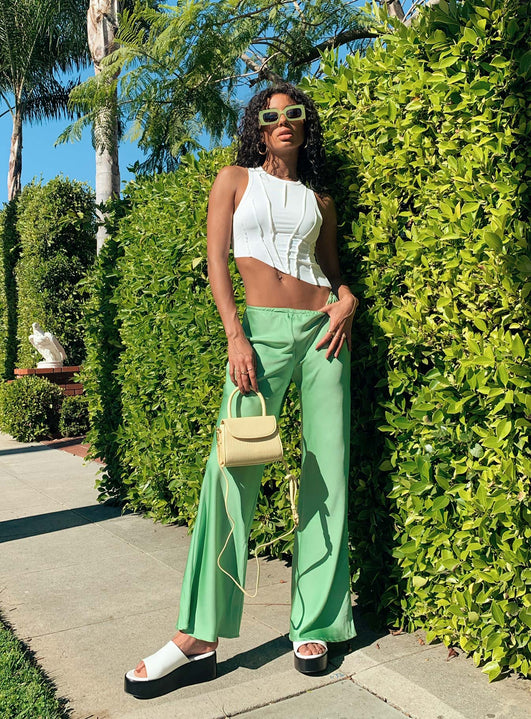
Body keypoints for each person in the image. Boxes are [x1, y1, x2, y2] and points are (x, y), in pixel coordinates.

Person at [125, 82, 359, 700]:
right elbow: (217, 262)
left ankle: (317, 624)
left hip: (324, 333)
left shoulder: (320, 200)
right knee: (230, 471)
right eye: (271, 114)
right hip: (258, 333)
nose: (283, 121)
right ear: (257, 127)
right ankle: (198, 636)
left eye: (294, 113)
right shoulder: (233, 180)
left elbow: (332, 270)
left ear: (305, 126)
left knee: (328, 471)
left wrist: (347, 298)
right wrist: (236, 334)